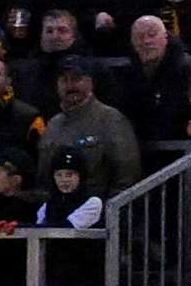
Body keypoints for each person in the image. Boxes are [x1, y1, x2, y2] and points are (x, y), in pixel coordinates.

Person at [38, 61, 141, 196]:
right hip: (58, 209)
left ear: (90, 82)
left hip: (97, 208)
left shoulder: (110, 119)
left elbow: (127, 175)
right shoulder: (53, 124)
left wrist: (107, 209)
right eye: (64, 80)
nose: (70, 86)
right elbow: (44, 176)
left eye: (76, 79)